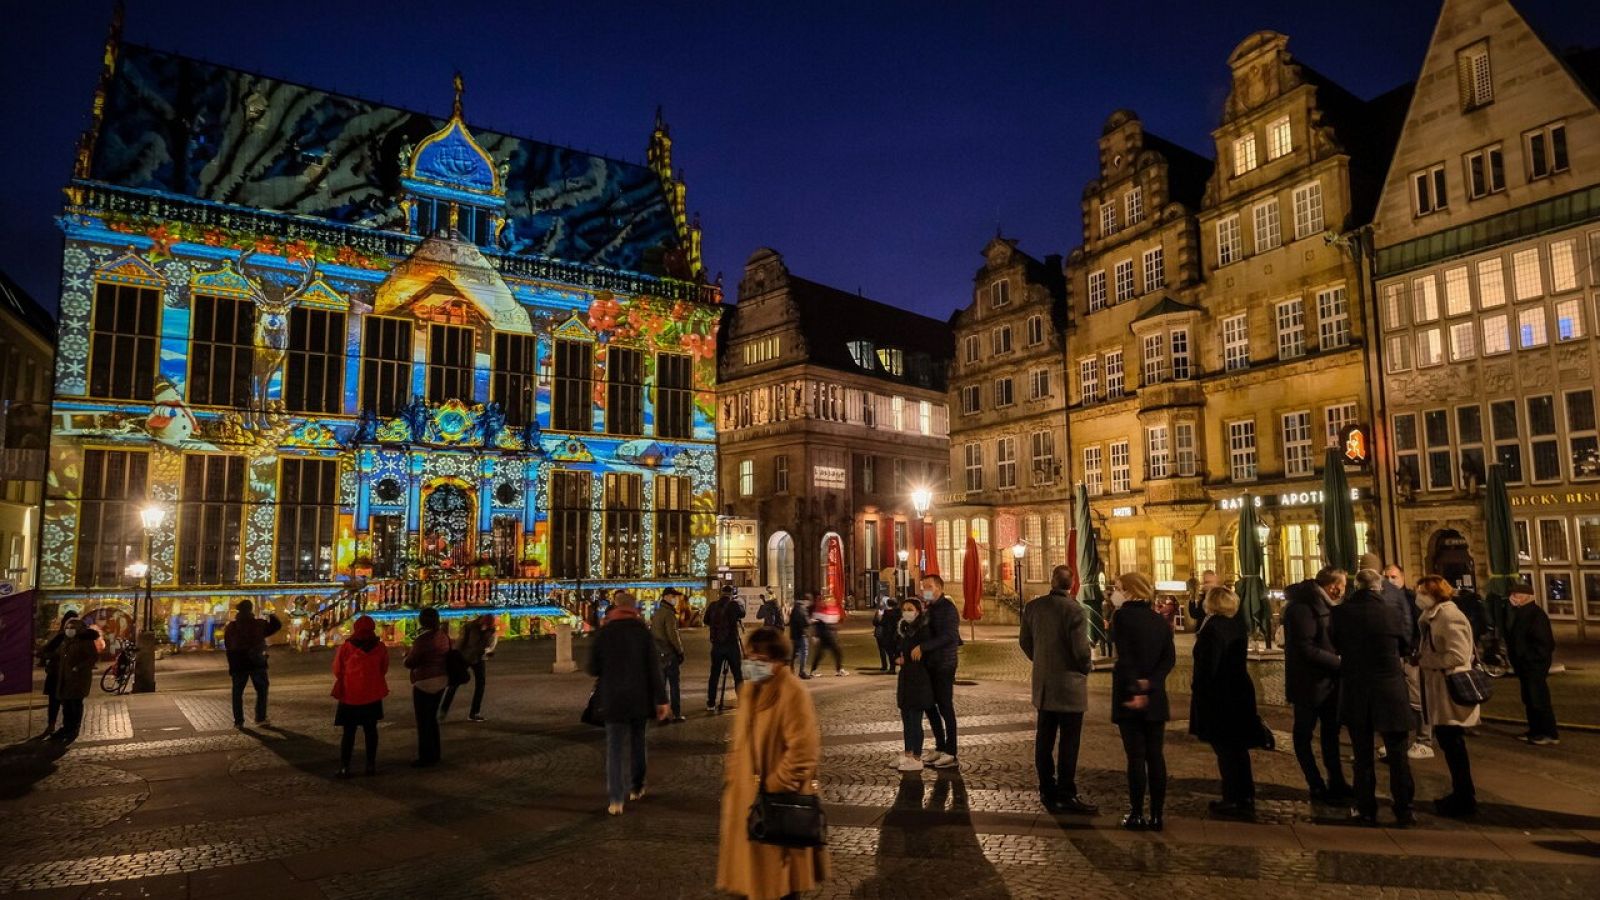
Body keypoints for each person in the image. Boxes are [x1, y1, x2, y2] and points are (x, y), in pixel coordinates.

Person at [716, 626, 830, 900]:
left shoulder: (792, 691)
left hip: (779, 804)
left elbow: (803, 749)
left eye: (760, 658)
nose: (752, 663)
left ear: (779, 660)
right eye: (750, 656)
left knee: (781, 884)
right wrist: (734, 776)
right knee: (753, 880)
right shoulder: (750, 691)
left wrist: (775, 784)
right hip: (748, 801)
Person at [1330, 569, 1415, 827]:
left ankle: (1365, 807)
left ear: (1357, 587)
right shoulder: (1392, 612)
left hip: (1357, 687)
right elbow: (1405, 645)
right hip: (1390, 688)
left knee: (1362, 754)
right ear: (1378, 588)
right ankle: (1404, 809)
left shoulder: (1341, 613)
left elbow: (1335, 645)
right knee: (1398, 754)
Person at [1020, 564, 1097, 815]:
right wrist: (1086, 667)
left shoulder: (1033, 607)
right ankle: (1066, 792)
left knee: (1044, 739)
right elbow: (1080, 651)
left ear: (1052, 581)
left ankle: (1046, 787)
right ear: (1071, 584)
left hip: (1044, 685)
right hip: (1069, 686)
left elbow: (1025, 642)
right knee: (1069, 742)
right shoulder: (1074, 610)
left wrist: (1041, 660)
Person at [589, 591, 669, 815]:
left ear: (614, 607)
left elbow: (592, 667)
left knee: (614, 749)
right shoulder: (642, 632)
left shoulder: (605, 632)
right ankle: (637, 786)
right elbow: (654, 668)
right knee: (637, 743)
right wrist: (661, 699)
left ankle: (616, 799)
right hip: (639, 698)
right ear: (634, 608)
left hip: (613, 698)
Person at [1189, 585, 1267, 819]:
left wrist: (1199, 690)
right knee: (1237, 749)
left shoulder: (1212, 629)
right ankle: (1245, 794)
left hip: (1220, 695)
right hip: (1239, 691)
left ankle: (1233, 798)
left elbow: (1208, 667)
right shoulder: (1236, 625)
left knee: (1225, 750)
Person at [1108, 571, 1174, 830]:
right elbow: (1168, 659)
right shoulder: (1159, 620)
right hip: (1156, 697)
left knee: (1135, 757)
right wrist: (1152, 683)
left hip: (1130, 695)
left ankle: (1136, 813)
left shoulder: (1122, 617)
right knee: (1155, 756)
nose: (1115, 592)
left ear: (1130, 591)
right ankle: (1157, 815)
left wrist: (1136, 688)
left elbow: (1126, 657)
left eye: (1118, 587)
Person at [1282, 569, 1352, 803]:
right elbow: (1305, 648)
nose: (1344, 590)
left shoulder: (1323, 603)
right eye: (1342, 585)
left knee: (1330, 735)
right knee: (1303, 735)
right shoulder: (1303, 607)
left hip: (1328, 683)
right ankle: (1315, 783)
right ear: (1333, 586)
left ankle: (1337, 782)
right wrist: (1340, 661)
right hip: (1308, 684)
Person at [1414, 576, 1480, 816]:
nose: (1418, 596)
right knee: (1449, 745)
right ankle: (1461, 793)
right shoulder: (1433, 616)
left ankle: (1464, 797)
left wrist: (1425, 661)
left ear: (1434, 593)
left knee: (1454, 746)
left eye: (1421, 591)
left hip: (1450, 689)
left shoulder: (1450, 616)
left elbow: (1459, 655)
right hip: (1439, 688)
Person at [1374, 560, 1430, 761]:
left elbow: (1420, 627)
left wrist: (1415, 649)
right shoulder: (1382, 599)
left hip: (1411, 658)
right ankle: (1399, 742)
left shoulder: (1412, 599)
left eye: (1393, 577)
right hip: (1392, 658)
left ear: (1403, 578)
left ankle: (1424, 741)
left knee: (1418, 700)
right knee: (1397, 702)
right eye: (1386, 577)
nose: (1389, 581)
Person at [332, 614, 389, 777]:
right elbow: (383, 669)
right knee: (371, 731)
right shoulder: (380, 647)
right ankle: (370, 765)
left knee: (348, 733)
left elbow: (337, 670)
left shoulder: (346, 647)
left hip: (350, 695)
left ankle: (345, 767)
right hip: (372, 695)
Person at [914, 574, 961, 769]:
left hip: (943, 664)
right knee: (929, 705)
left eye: (929, 586)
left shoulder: (948, 609)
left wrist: (923, 647)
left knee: (945, 706)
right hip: (930, 664)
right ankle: (940, 746)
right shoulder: (929, 608)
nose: (925, 589)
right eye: (923, 586)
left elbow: (950, 636)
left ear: (939, 588)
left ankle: (951, 751)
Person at [1505, 580, 1558, 745]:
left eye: (1516, 595)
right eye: (1512, 595)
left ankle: (1548, 733)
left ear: (1526, 597)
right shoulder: (1522, 613)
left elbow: (1544, 643)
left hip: (1533, 666)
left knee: (1538, 699)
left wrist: (1529, 658)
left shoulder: (1536, 614)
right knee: (1529, 699)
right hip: (1525, 665)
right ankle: (1535, 730)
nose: (1513, 598)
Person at [402, 607, 450, 768]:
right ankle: (435, 753)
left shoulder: (422, 640)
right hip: (442, 679)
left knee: (423, 721)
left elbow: (411, 662)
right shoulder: (443, 636)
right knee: (432, 719)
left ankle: (425, 756)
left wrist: (405, 655)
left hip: (424, 681)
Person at [223, 599, 282, 729]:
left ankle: (238, 721)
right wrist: (269, 613)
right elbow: (277, 625)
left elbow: (227, 645)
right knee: (261, 690)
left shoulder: (231, 627)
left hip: (238, 663)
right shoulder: (258, 624)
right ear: (251, 609)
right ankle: (260, 717)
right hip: (256, 662)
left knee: (237, 693)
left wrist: (232, 661)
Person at [892, 597, 933, 771]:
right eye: (904, 609)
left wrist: (906, 657)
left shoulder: (923, 631)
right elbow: (898, 647)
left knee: (915, 720)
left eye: (910, 609)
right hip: (906, 677)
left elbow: (920, 655)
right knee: (906, 718)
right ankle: (908, 753)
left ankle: (917, 757)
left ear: (918, 611)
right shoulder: (904, 629)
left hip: (918, 679)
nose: (907, 612)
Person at [50, 616, 102, 744]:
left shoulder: (85, 641)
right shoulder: (65, 641)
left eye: (72, 627)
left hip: (78, 678)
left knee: (75, 703)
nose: (69, 630)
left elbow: (92, 657)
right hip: (65, 677)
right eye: (67, 627)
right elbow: (57, 654)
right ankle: (66, 727)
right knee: (66, 704)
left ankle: (74, 727)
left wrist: (78, 667)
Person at [441, 613, 495, 722]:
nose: (488, 625)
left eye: (490, 624)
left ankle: (474, 712)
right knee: (454, 684)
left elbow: (489, 644)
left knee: (481, 684)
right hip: (464, 657)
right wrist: (455, 657)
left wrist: (489, 651)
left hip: (478, 658)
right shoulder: (469, 627)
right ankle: (443, 711)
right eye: (487, 623)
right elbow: (460, 643)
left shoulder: (490, 630)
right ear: (482, 620)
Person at [36, 610, 80, 738]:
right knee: (54, 701)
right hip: (56, 673)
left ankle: (69, 727)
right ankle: (52, 725)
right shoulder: (60, 636)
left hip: (69, 675)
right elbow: (46, 652)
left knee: (69, 703)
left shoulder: (78, 638)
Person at [706, 587, 746, 709]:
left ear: (721, 594)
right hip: (731, 644)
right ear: (731, 594)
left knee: (714, 674)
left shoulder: (713, 605)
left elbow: (706, 620)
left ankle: (711, 703)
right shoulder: (733, 605)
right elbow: (743, 613)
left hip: (717, 645)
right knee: (737, 674)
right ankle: (742, 701)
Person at [651, 588, 687, 722]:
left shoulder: (658, 612)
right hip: (669, 654)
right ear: (666, 597)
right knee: (674, 685)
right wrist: (680, 651)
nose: (675, 599)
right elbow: (673, 635)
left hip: (658, 654)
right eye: (673, 596)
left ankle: (662, 714)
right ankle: (676, 713)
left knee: (661, 685)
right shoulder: (669, 614)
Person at [811, 595, 848, 677]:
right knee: (836, 652)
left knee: (822, 654)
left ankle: (814, 670)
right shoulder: (821, 610)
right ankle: (839, 670)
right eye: (830, 600)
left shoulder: (833, 609)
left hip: (829, 635)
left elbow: (836, 622)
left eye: (833, 600)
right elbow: (816, 624)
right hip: (827, 636)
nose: (832, 601)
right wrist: (815, 636)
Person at [873, 596, 901, 674]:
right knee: (898, 651)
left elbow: (882, 623)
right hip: (898, 634)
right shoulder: (900, 612)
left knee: (890, 652)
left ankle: (892, 668)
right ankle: (901, 666)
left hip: (889, 635)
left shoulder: (887, 613)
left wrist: (879, 618)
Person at [788, 594, 812, 678]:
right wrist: (810, 621)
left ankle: (790, 669)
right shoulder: (802, 608)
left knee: (795, 653)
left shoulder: (795, 607)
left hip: (794, 634)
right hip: (801, 634)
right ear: (806, 601)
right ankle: (802, 672)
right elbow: (805, 621)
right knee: (804, 652)